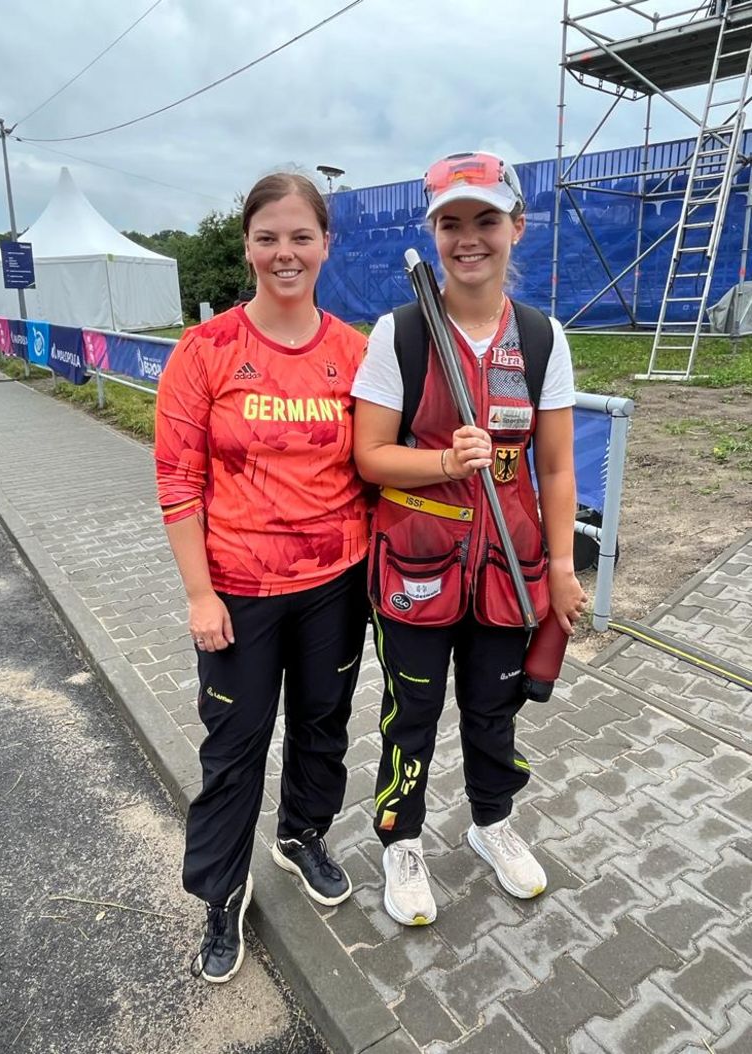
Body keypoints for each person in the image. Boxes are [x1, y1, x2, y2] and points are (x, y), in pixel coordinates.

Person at [352, 151, 587, 926]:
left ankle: (492, 825)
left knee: (495, 713)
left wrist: (560, 567)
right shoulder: (403, 333)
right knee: (410, 714)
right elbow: (370, 455)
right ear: (434, 233)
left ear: (516, 227)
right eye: (451, 223)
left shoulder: (543, 337)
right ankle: (400, 840)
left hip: (509, 573)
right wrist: (444, 461)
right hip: (415, 570)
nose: (469, 238)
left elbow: (555, 467)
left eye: (486, 219)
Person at [155, 172, 371, 982]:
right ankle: (222, 894)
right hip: (238, 591)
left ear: (325, 245)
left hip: (335, 586)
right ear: (247, 245)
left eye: (301, 237)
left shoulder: (354, 353)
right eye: (268, 237)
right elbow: (179, 481)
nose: (285, 252)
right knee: (234, 747)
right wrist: (199, 593)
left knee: (323, 722)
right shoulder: (205, 351)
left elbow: (376, 465)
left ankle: (301, 836)